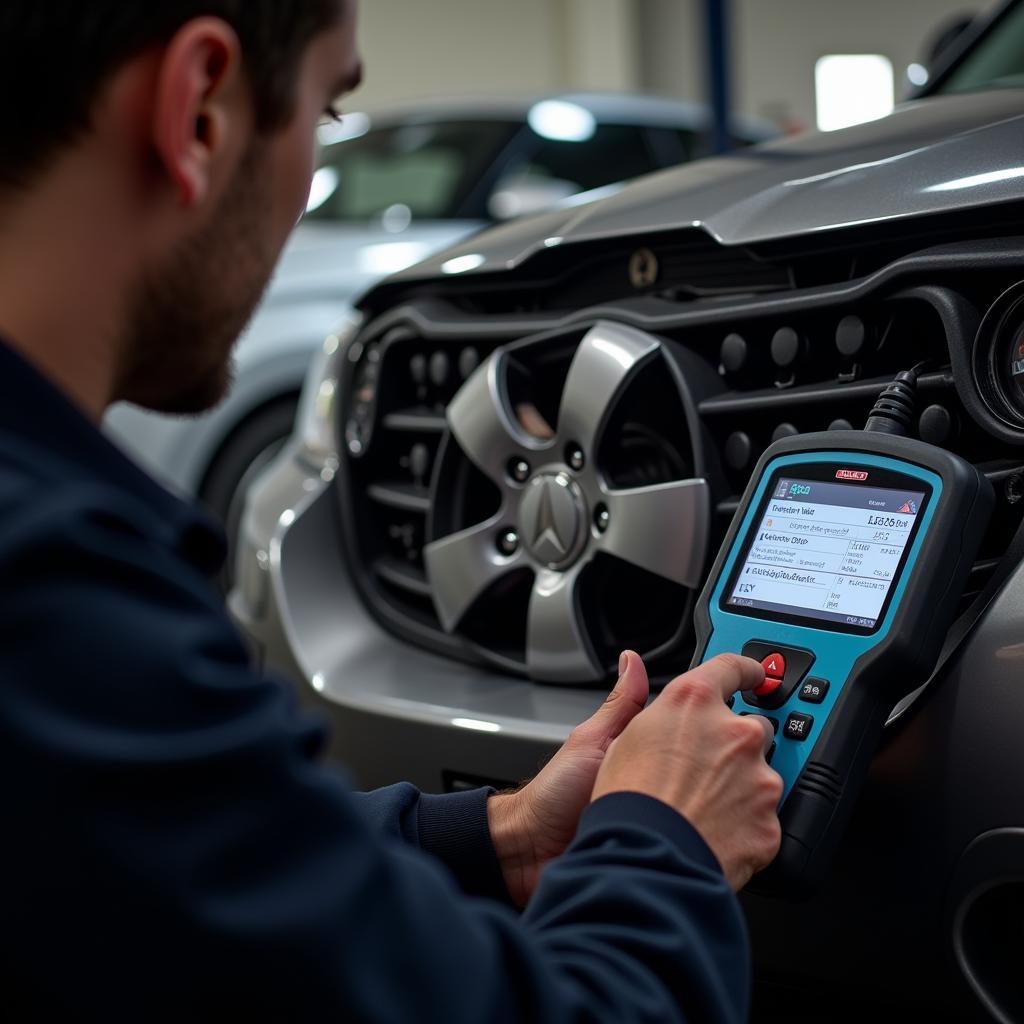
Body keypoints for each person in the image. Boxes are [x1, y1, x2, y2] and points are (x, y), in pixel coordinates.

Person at [0, 2, 782, 1019]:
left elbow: (149, 857)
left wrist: (495, 835)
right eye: (325, 114)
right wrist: (662, 834)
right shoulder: (55, 605)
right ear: (199, 111)